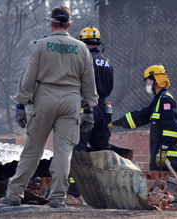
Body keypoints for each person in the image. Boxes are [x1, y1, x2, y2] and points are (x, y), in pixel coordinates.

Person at [0, 6, 98, 208]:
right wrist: (88, 109)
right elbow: (89, 83)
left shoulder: (41, 45)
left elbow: (29, 77)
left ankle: (15, 194)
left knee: (33, 149)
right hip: (71, 100)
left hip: (44, 98)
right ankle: (57, 199)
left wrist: (21, 103)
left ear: (51, 24)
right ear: (69, 25)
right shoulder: (81, 48)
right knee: (63, 153)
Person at [67, 26, 114, 203]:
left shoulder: (82, 60)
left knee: (79, 147)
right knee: (101, 149)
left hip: (85, 107)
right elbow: (109, 88)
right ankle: (105, 187)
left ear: (82, 42)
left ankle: (74, 189)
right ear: (97, 43)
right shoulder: (107, 62)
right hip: (103, 108)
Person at [108, 64, 177, 172]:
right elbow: (141, 116)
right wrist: (119, 122)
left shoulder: (165, 100)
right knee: (158, 183)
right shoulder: (157, 101)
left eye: (148, 81)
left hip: (167, 155)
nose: (147, 85)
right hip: (159, 152)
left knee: (166, 184)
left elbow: (172, 127)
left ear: (156, 80)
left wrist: (165, 148)